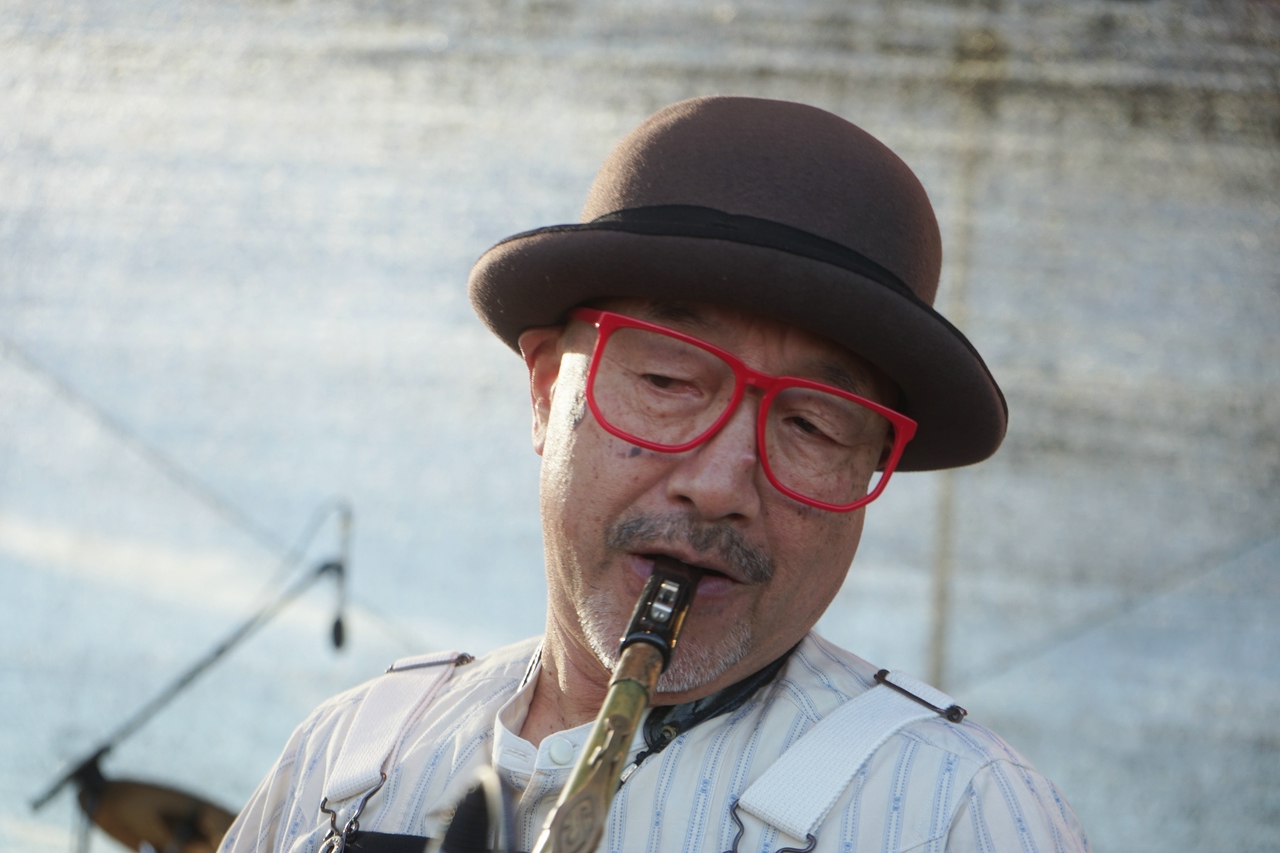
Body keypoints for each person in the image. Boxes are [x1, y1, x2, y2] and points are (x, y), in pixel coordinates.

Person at [219, 96, 1090, 853]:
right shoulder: (344, 764)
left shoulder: (961, 815)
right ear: (546, 389)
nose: (718, 486)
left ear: (872, 464)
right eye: (669, 381)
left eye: (813, 424)